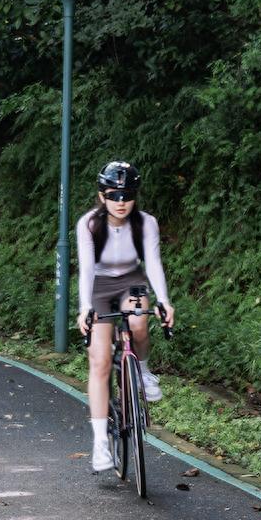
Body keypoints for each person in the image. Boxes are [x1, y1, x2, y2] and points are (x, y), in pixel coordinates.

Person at [76, 160, 173, 472]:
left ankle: (143, 371)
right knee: (100, 360)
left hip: (132, 279)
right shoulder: (90, 224)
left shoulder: (146, 223)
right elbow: (87, 270)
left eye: (127, 195)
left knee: (138, 320)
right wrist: (85, 307)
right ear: (102, 196)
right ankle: (100, 444)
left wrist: (164, 301)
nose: (121, 202)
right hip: (100, 286)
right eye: (114, 195)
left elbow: (154, 264)